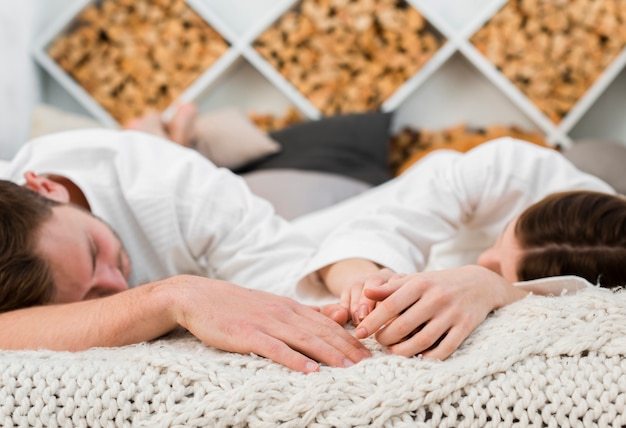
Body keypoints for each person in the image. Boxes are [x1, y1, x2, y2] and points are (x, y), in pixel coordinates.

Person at [0, 128, 370, 374]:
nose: (116, 284)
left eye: (95, 251)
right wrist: (173, 296)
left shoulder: (175, 186)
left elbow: (295, 288)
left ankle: (169, 127)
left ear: (45, 187)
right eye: (89, 297)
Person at [286, 137, 623, 361]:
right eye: (503, 236)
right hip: (305, 237)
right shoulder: (508, 169)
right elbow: (372, 234)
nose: (483, 259)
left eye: (500, 270)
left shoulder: (605, 277)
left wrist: (492, 286)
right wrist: (366, 287)